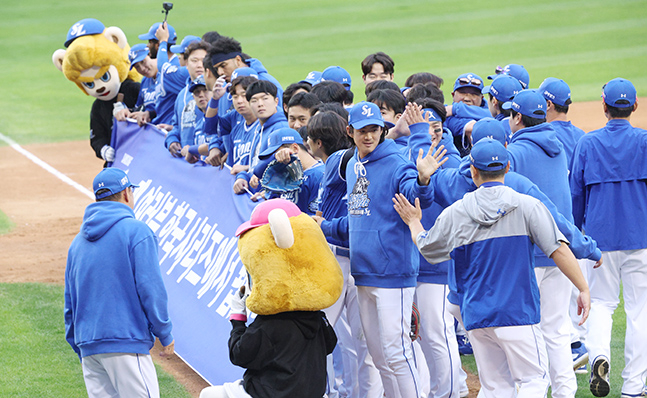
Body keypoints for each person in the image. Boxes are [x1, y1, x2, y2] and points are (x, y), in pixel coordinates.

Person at [393, 138, 591, 398]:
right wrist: (583, 287)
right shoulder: (527, 204)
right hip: (517, 313)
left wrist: (414, 222)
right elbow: (559, 250)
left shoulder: (457, 211)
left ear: (473, 171)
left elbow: (427, 248)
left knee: (496, 388)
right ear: (508, 167)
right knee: (534, 380)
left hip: (476, 315)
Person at [316, 101, 447, 398]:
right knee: (379, 357)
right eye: (362, 131)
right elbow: (357, 217)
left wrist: (424, 179)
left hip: (393, 273)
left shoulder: (397, 162)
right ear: (350, 132)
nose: (368, 136)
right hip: (363, 273)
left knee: (397, 353)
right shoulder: (352, 165)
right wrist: (323, 227)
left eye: (375, 130)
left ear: (382, 130)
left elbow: (417, 200)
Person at [505, 89, 596, 398]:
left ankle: (531, 391)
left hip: (528, 255)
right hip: (560, 253)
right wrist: (582, 245)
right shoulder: (557, 147)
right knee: (556, 331)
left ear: (517, 118)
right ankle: (564, 393)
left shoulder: (514, 155)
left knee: (527, 332)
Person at [65, 168, 174, 398]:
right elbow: (151, 289)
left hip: (89, 347)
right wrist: (164, 333)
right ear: (126, 193)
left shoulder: (76, 244)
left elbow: (70, 303)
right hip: (125, 341)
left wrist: (81, 346)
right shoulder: (137, 232)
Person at [570, 78, 647, 398]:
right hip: (641, 238)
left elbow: (576, 194)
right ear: (635, 106)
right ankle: (634, 386)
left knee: (600, 304)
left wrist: (576, 237)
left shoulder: (587, 144)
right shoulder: (644, 141)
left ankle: (599, 353)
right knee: (640, 309)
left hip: (599, 242)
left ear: (603, 106)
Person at [233, 80, 289, 195]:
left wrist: (268, 193)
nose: (260, 104)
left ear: (276, 101)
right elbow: (253, 164)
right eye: (254, 100)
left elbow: (283, 170)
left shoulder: (281, 128)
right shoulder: (259, 129)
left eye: (265, 98)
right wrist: (242, 176)